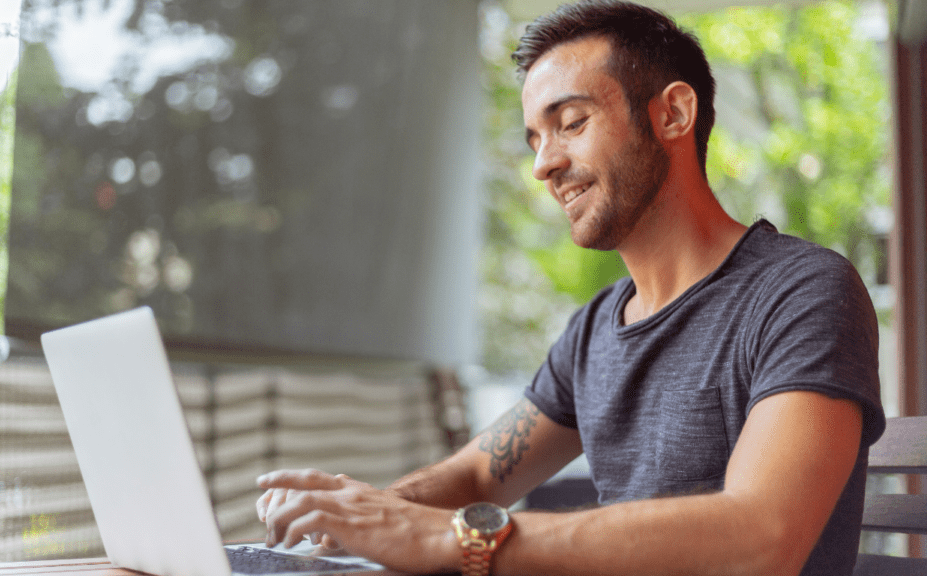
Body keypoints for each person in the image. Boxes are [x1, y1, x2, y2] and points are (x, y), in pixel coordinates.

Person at [256, 2, 886, 575]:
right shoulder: (594, 329)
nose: (543, 164)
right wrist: (368, 514)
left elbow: (762, 537)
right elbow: (480, 472)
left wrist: (453, 539)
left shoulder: (801, 292)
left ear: (673, 113)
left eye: (571, 122)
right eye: (535, 138)